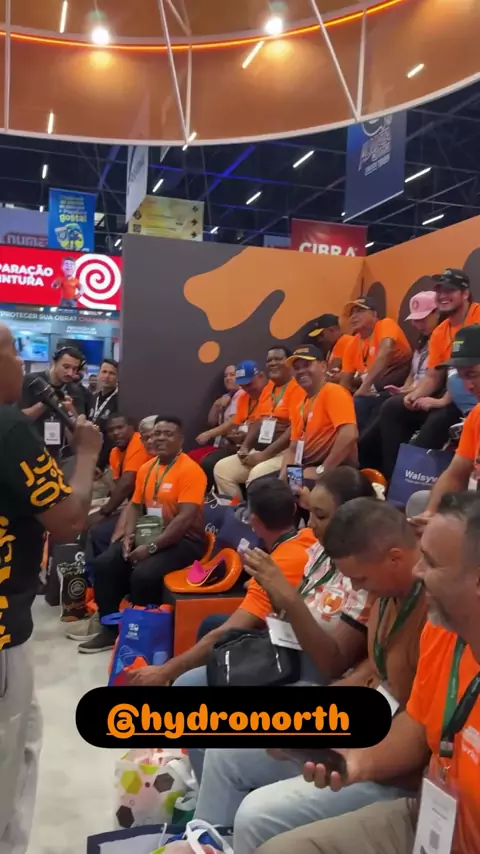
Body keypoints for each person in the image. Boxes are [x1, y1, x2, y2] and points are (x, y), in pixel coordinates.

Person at [188, 499, 427, 854]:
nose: (357, 588)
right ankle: (201, 845)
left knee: (256, 814)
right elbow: (374, 675)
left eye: (360, 579)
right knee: (226, 748)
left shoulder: (435, 613)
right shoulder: (384, 594)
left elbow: (418, 725)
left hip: (393, 768)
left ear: (394, 558)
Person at [260, 491, 480, 854]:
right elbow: (417, 724)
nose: (418, 571)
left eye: (431, 562)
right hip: (430, 818)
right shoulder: (442, 631)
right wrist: (354, 761)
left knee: (258, 815)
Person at [0, 323, 102, 854]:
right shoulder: (10, 428)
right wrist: (86, 455)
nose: (24, 365)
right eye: (14, 353)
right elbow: (69, 521)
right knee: (7, 757)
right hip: (2, 631)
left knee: (25, 738)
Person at [127, 479, 317, 686]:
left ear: (253, 521)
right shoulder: (311, 536)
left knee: (186, 680)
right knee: (211, 623)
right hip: (300, 629)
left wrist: (165, 671)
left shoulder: (270, 573)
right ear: (294, 509)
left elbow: (226, 631)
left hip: (291, 652)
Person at [78, 416, 208, 653]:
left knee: (144, 574)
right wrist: (128, 536)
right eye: (157, 434)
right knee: (106, 562)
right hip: (150, 533)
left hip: (185, 541)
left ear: (181, 440)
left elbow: (184, 519)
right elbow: (136, 506)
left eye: (168, 434)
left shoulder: (191, 471)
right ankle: (110, 629)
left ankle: (142, 634)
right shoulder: (147, 468)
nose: (160, 438)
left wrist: (150, 548)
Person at [358, 290, 440, 477]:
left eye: (422, 319)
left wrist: (412, 391)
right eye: (415, 320)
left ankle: (390, 472)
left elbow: (435, 378)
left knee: (390, 407)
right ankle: (366, 459)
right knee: (380, 399)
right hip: (413, 391)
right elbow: (412, 374)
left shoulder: (444, 338)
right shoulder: (422, 342)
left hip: (429, 395)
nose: (417, 324)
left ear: (437, 313)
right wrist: (404, 388)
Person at [411, 325, 480, 529]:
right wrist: (431, 514)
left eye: (472, 374)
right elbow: (455, 473)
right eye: (461, 376)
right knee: (419, 504)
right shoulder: (476, 415)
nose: (467, 386)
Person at [402, 268, 480, 444]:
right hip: (456, 392)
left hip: (460, 393)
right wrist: (415, 394)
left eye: (450, 290)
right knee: (392, 408)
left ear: (465, 293)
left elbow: (468, 373)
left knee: (455, 380)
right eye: (439, 290)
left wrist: (443, 401)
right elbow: (433, 376)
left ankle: (471, 420)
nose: (443, 295)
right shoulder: (439, 332)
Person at [213, 349, 305, 499]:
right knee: (222, 469)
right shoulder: (269, 388)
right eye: (269, 360)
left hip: (289, 453)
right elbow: (258, 421)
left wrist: (264, 455)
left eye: (278, 359)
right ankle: (237, 510)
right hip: (264, 448)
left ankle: (259, 512)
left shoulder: (300, 387)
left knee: (258, 476)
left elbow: (294, 432)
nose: (273, 363)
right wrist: (245, 447)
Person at [281, 345, 358, 483]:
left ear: (323, 366)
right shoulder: (300, 404)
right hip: (306, 468)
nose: (301, 371)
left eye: (307, 365)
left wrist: (322, 470)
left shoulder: (334, 391)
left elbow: (349, 434)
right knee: (267, 487)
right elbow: (293, 449)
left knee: (291, 491)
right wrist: (283, 479)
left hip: (337, 471)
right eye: (296, 368)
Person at [340, 296, 412, 433]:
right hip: (371, 390)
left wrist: (365, 386)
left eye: (359, 311)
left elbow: (386, 351)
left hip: (396, 386)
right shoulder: (352, 343)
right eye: (351, 313)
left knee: (361, 403)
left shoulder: (385, 324)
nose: (353, 316)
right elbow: (344, 382)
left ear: (374, 314)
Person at [20, 345, 86, 462]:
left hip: (56, 455)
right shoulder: (32, 381)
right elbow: (18, 418)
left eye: (75, 369)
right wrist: (48, 402)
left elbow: (78, 430)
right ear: (54, 362)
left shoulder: (75, 391)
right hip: (28, 449)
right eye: (66, 367)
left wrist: (69, 411)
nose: (70, 373)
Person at [193, 365, 242, 488]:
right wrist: (216, 405)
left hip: (237, 445)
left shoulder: (243, 394)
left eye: (232, 375)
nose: (228, 378)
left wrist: (208, 434)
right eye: (225, 376)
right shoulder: (227, 396)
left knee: (207, 463)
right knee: (192, 456)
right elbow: (212, 421)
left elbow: (233, 423)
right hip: (222, 444)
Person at [88, 358, 119, 472]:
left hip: (107, 461)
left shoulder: (120, 400)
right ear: (99, 374)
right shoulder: (93, 398)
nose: (107, 376)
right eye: (104, 372)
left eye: (111, 373)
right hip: (90, 454)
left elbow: (114, 438)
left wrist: (100, 464)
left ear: (117, 377)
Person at [305, 314, 354, 379]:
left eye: (322, 335)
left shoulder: (344, 340)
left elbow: (329, 374)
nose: (319, 340)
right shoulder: (332, 348)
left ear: (332, 330)